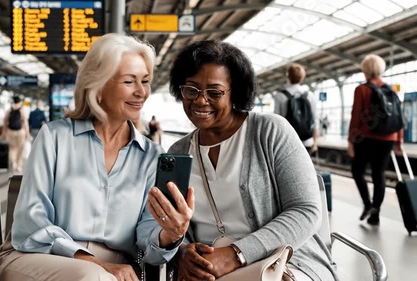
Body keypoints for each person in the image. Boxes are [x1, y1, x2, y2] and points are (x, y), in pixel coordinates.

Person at [0, 33, 194, 281]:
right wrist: (94, 263)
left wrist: (170, 234)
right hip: (42, 258)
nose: (141, 92)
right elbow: (31, 222)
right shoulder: (54, 137)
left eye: (145, 81)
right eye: (129, 81)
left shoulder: (151, 156)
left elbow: (149, 246)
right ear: (98, 86)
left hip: (114, 272)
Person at [168, 40, 337, 281]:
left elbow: (306, 211)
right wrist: (184, 251)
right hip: (210, 271)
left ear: (235, 91)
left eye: (214, 92)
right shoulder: (178, 151)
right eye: (191, 90)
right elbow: (173, 224)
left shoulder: (270, 131)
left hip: (283, 263)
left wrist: (235, 255)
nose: (200, 101)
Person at [348, 54, 404, 226]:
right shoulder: (391, 89)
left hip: (366, 138)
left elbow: (356, 117)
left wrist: (351, 141)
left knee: (358, 171)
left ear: (365, 69)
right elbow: (399, 117)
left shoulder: (362, 89)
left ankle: (367, 205)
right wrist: (399, 141)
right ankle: (375, 213)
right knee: (379, 175)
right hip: (388, 138)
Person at [274, 63, 318, 155]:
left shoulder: (280, 96)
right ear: (302, 78)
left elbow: (277, 123)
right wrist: (315, 143)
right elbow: (315, 120)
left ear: (288, 77)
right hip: (307, 141)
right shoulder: (310, 95)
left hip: (288, 143)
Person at [2, 96, 29, 172]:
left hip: (10, 131)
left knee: (12, 148)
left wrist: (4, 132)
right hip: (20, 132)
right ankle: (18, 165)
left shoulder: (9, 110)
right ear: (20, 102)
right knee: (20, 149)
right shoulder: (22, 110)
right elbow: (25, 123)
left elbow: (5, 121)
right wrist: (27, 133)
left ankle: (13, 162)